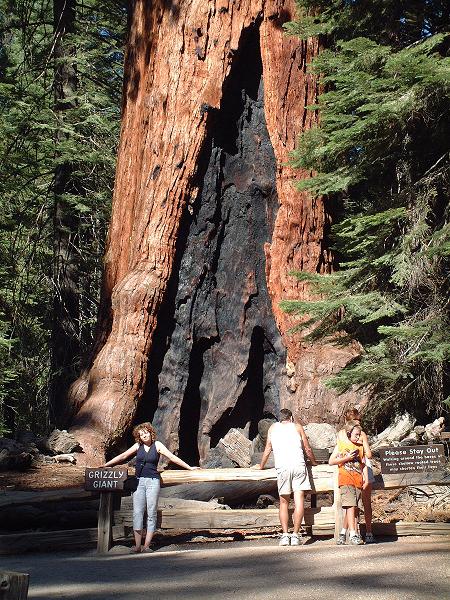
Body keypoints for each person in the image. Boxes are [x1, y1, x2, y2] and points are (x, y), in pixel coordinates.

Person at [103, 422, 198, 553]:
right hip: (139, 482)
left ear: (150, 433)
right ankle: (137, 546)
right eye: (141, 435)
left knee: (151, 512)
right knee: (137, 512)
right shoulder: (138, 446)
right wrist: (105, 465)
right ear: (139, 437)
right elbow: (123, 456)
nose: (144, 436)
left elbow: (172, 457)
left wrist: (189, 467)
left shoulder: (157, 445)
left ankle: (146, 546)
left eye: (146, 433)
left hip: (153, 481)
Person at [256, 408, 318, 546]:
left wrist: (261, 466)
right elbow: (307, 449)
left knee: (283, 502)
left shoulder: (273, 428)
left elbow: (267, 450)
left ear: (280, 418)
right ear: (291, 418)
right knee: (299, 501)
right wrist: (314, 462)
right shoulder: (297, 427)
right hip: (298, 466)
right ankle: (295, 535)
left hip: (282, 468)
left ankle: (285, 535)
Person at [337, 408, 375, 544]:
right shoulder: (361, 433)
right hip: (362, 466)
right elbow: (368, 454)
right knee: (364, 502)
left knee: (351, 503)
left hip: (347, 468)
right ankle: (368, 532)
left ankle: (345, 533)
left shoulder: (341, 434)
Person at [329, 420, 369, 545]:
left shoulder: (360, 447)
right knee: (350, 506)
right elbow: (331, 461)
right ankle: (353, 534)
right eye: (356, 435)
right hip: (346, 478)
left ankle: (342, 533)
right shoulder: (341, 445)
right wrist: (347, 458)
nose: (358, 437)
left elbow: (363, 464)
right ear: (348, 433)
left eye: (359, 435)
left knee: (353, 507)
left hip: (357, 479)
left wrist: (366, 479)